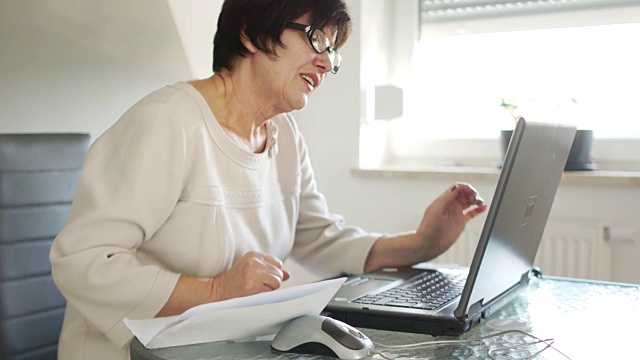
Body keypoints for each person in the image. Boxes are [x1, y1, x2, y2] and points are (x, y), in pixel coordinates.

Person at [50, 0, 487, 359]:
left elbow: (318, 236)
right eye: (316, 38)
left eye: (333, 50)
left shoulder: (284, 135)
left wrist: (422, 243)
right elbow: (82, 261)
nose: (325, 61)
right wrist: (216, 289)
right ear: (248, 33)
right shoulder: (169, 122)